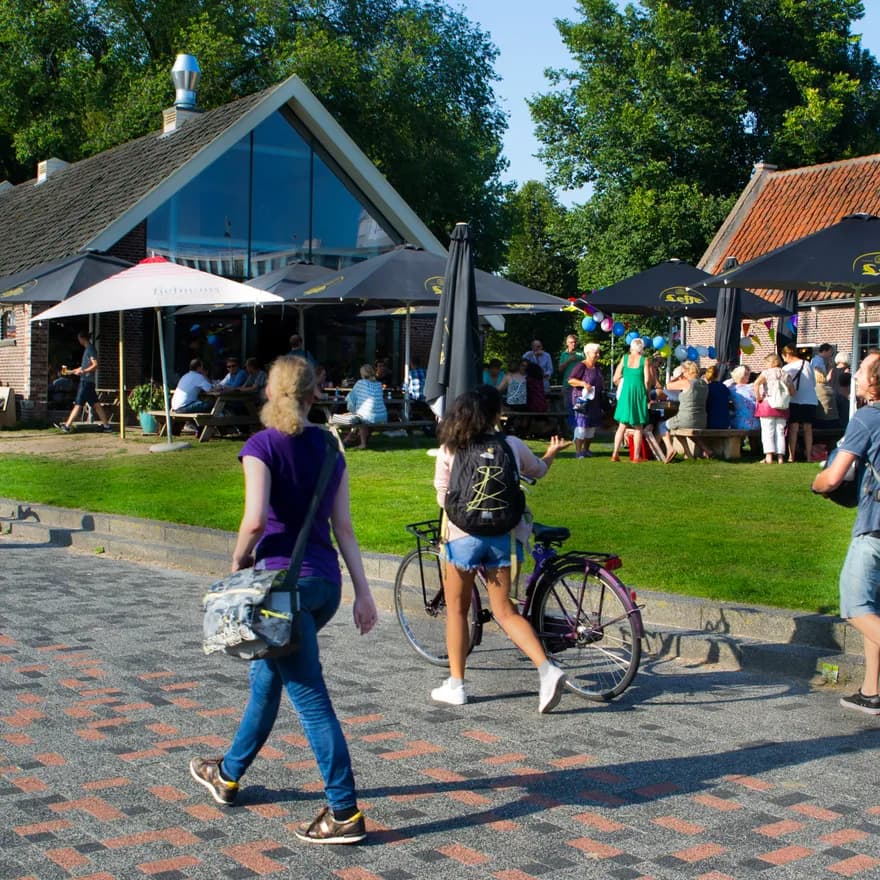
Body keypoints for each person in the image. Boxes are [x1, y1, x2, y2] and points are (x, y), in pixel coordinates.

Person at [189, 356, 377, 843]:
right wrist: (363, 592)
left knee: (310, 699)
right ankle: (227, 775)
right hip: (323, 587)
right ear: (317, 395)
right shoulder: (332, 448)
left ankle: (344, 811)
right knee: (266, 679)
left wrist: (236, 562)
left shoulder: (261, 446)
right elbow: (345, 529)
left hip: (277, 592)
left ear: (269, 393)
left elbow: (254, 522)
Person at [431, 385, 570, 711]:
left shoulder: (450, 448)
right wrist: (551, 455)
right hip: (502, 536)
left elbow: (442, 495)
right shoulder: (511, 445)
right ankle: (547, 670)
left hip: (462, 536)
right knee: (505, 610)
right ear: (495, 414)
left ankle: (457, 684)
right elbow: (538, 470)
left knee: (456, 610)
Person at [812, 350, 880, 716]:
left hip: (876, 528)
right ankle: (872, 691)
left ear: (875, 382)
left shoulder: (869, 416)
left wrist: (817, 482)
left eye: (862, 372)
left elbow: (834, 476)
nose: (854, 377)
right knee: (876, 608)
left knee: (856, 607)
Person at [55, 330, 113, 433]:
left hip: (86, 382)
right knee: (96, 405)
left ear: (82, 339)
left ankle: (67, 426)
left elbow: (95, 365)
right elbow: (84, 366)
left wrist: (83, 371)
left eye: (79, 339)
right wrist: (71, 371)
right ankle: (107, 426)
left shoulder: (90, 349)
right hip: (88, 382)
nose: (78, 341)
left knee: (78, 404)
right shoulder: (88, 349)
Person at [610, 338, 654, 462]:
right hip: (638, 391)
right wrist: (647, 393)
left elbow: (615, 378)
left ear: (631, 347)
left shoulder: (624, 359)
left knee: (622, 425)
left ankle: (615, 454)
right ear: (642, 348)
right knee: (638, 426)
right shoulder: (644, 360)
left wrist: (623, 383)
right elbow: (647, 380)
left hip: (626, 392)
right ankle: (636, 456)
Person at [659, 360, 710, 462]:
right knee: (680, 430)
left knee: (662, 425)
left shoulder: (686, 383)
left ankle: (670, 449)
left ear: (687, 371)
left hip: (685, 419)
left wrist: (678, 377)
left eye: (683, 372)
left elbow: (667, 386)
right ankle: (704, 450)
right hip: (701, 420)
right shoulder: (704, 383)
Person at [330, 363, 387, 449]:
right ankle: (349, 439)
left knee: (360, 417)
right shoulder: (378, 384)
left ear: (363, 374)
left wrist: (352, 410)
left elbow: (350, 397)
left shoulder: (360, 383)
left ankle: (362, 443)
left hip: (369, 416)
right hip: (382, 415)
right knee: (360, 416)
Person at [753, 353, 794, 465]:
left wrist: (758, 397)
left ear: (772, 362)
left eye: (766, 362)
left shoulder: (766, 373)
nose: (765, 364)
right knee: (780, 432)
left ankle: (769, 457)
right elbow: (792, 392)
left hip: (767, 404)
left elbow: (756, 384)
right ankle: (780, 457)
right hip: (782, 406)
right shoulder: (786, 374)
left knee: (767, 431)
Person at [782, 344, 818, 462]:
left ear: (786, 355)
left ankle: (791, 456)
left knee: (793, 428)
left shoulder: (786, 368)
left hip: (795, 399)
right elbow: (813, 382)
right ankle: (808, 457)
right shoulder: (807, 364)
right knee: (808, 429)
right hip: (810, 399)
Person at [568, 342, 604, 458]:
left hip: (594, 401)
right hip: (582, 401)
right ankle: (578, 451)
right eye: (595, 352)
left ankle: (586, 449)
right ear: (587, 353)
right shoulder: (581, 366)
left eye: (599, 352)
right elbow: (571, 380)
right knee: (581, 426)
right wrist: (583, 383)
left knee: (591, 427)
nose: (598, 355)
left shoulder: (597, 367)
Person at [728, 365, 759, 433]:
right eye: (746, 374)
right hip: (755, 423)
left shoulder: (732, 389)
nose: (748, 376)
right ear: (741, 376)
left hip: (740, 422)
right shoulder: (752, 387)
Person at [704, 365, 732, 429]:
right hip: (725, 423)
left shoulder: (706, 388)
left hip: (710, 422)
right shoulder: (723, 387)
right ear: (718, 375)